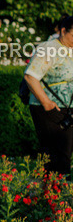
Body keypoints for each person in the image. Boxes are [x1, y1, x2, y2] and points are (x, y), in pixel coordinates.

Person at [25, 15, 73, 176]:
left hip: (67, 108)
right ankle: (53, 194)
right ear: (63, 30)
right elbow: (30, 76)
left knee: (65, 151)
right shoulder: (49, 48)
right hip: (48, 108)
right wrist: (46, 102)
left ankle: (54, 192)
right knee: (57, 154)